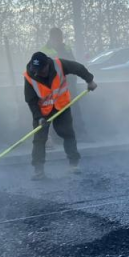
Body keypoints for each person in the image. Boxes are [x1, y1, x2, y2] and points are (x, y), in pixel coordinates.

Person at [24, 51, 97, 180]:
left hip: (61, 106)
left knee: (67, 133)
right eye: (36, 70)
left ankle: (73, 164)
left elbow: (78, 68)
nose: (39, 73)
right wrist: (39, 118)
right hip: (42, 111)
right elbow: (31, 100)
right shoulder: (30, 76)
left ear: (47, 65)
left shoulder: (59, 65)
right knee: (39, 139)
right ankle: (38, 170)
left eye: (41, 70)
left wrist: (90, 80)